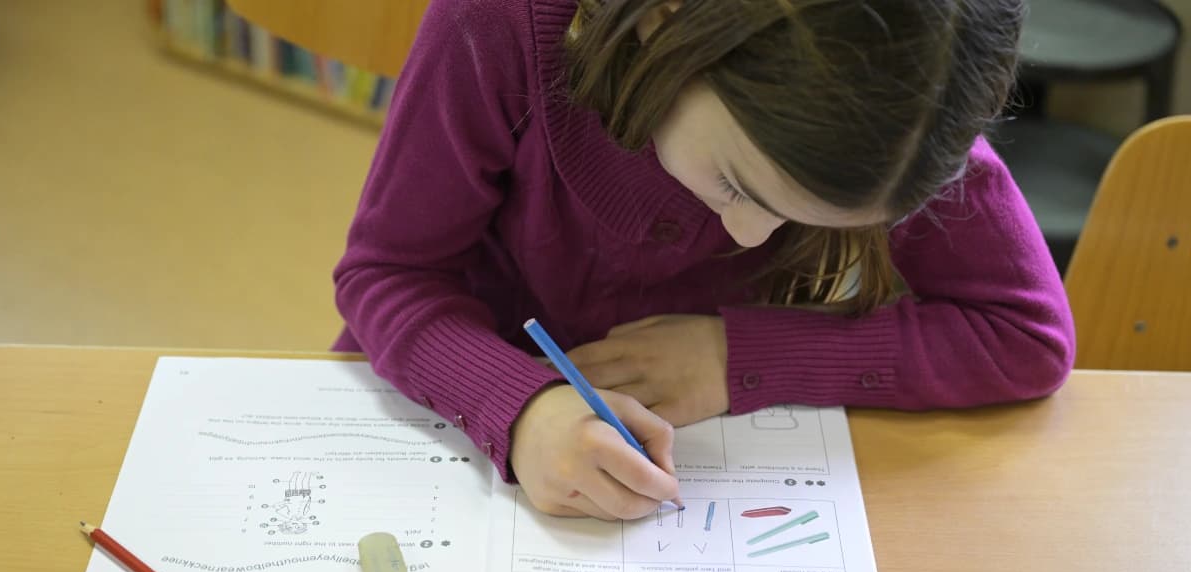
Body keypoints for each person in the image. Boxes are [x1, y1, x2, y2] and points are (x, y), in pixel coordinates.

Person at [332, 0, 1075, 521]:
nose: (752, 238)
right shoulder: (498, 23)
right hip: (435, 421)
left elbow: (1025, 335)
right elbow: (388, 275)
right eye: (736, 186)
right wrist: (520, 408)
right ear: (666, 20)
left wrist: (737, 356)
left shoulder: (906, 123)